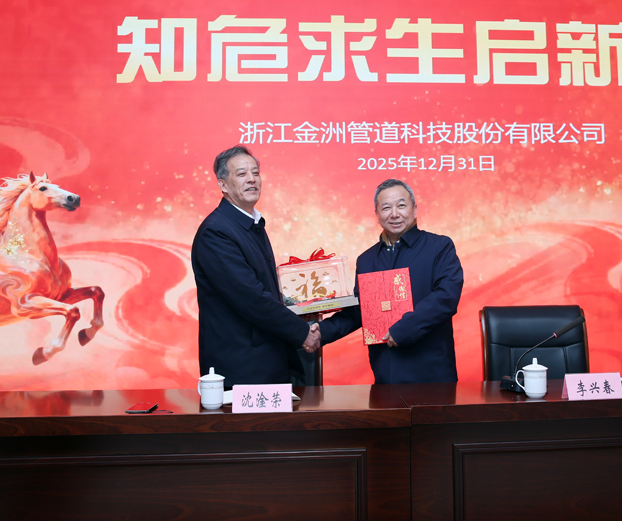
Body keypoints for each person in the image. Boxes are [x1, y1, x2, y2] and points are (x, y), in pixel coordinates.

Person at [192, 146, 320, 388]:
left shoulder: (251, 224)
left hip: (266, 361)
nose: (251, 179)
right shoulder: (216, 231)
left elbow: (265, 291)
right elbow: (251, 297)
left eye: (255, 172)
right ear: (223, 185)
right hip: (242, 367)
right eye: (241, 174)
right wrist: (302, 332)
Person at [319, 179, 463, 384]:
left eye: (401, 205)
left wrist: (403, 330)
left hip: (433, 373)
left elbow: (446, 297)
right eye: (386, 208)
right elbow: (360, 311)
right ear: (377, 214)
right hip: (386, 373)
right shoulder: (366, 260)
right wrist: (319, 333)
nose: (394, 214)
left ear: (414, 209)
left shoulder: (439, 247)